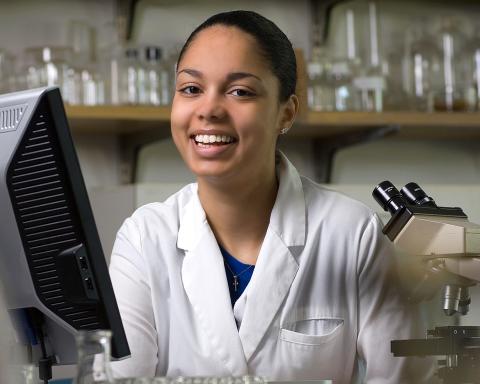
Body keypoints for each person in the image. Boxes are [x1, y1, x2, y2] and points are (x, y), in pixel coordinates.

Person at [109, 10, 434, 383]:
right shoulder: (144, 238)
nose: (209, 110)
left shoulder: (352, 232)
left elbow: (404, 377)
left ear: (286, 112)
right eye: (191, 89)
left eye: (240, 92)